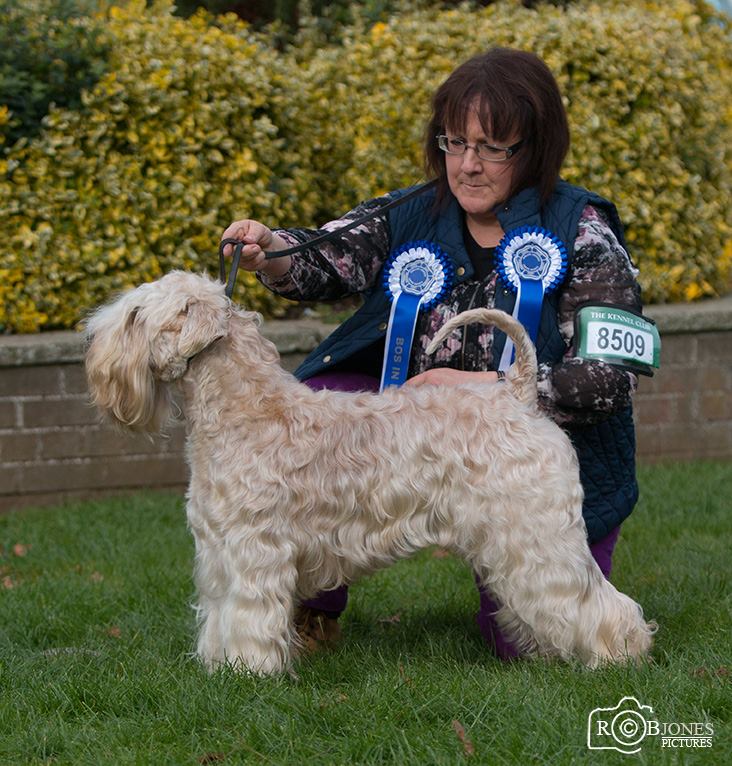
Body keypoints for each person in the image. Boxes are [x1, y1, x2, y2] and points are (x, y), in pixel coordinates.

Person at [220, 47, 644, 660]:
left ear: (535, 148)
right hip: (417, 448)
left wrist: (488, 394)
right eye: (454, 142)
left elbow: (613, 376)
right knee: (327, 409)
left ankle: (600, 619)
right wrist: (272, 249)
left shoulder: (584, 230)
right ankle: (307, 611)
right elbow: (326, 255)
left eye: (493, 147)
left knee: (529, 644)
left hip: (541, 451)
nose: (468, 165)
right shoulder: (412, 211)